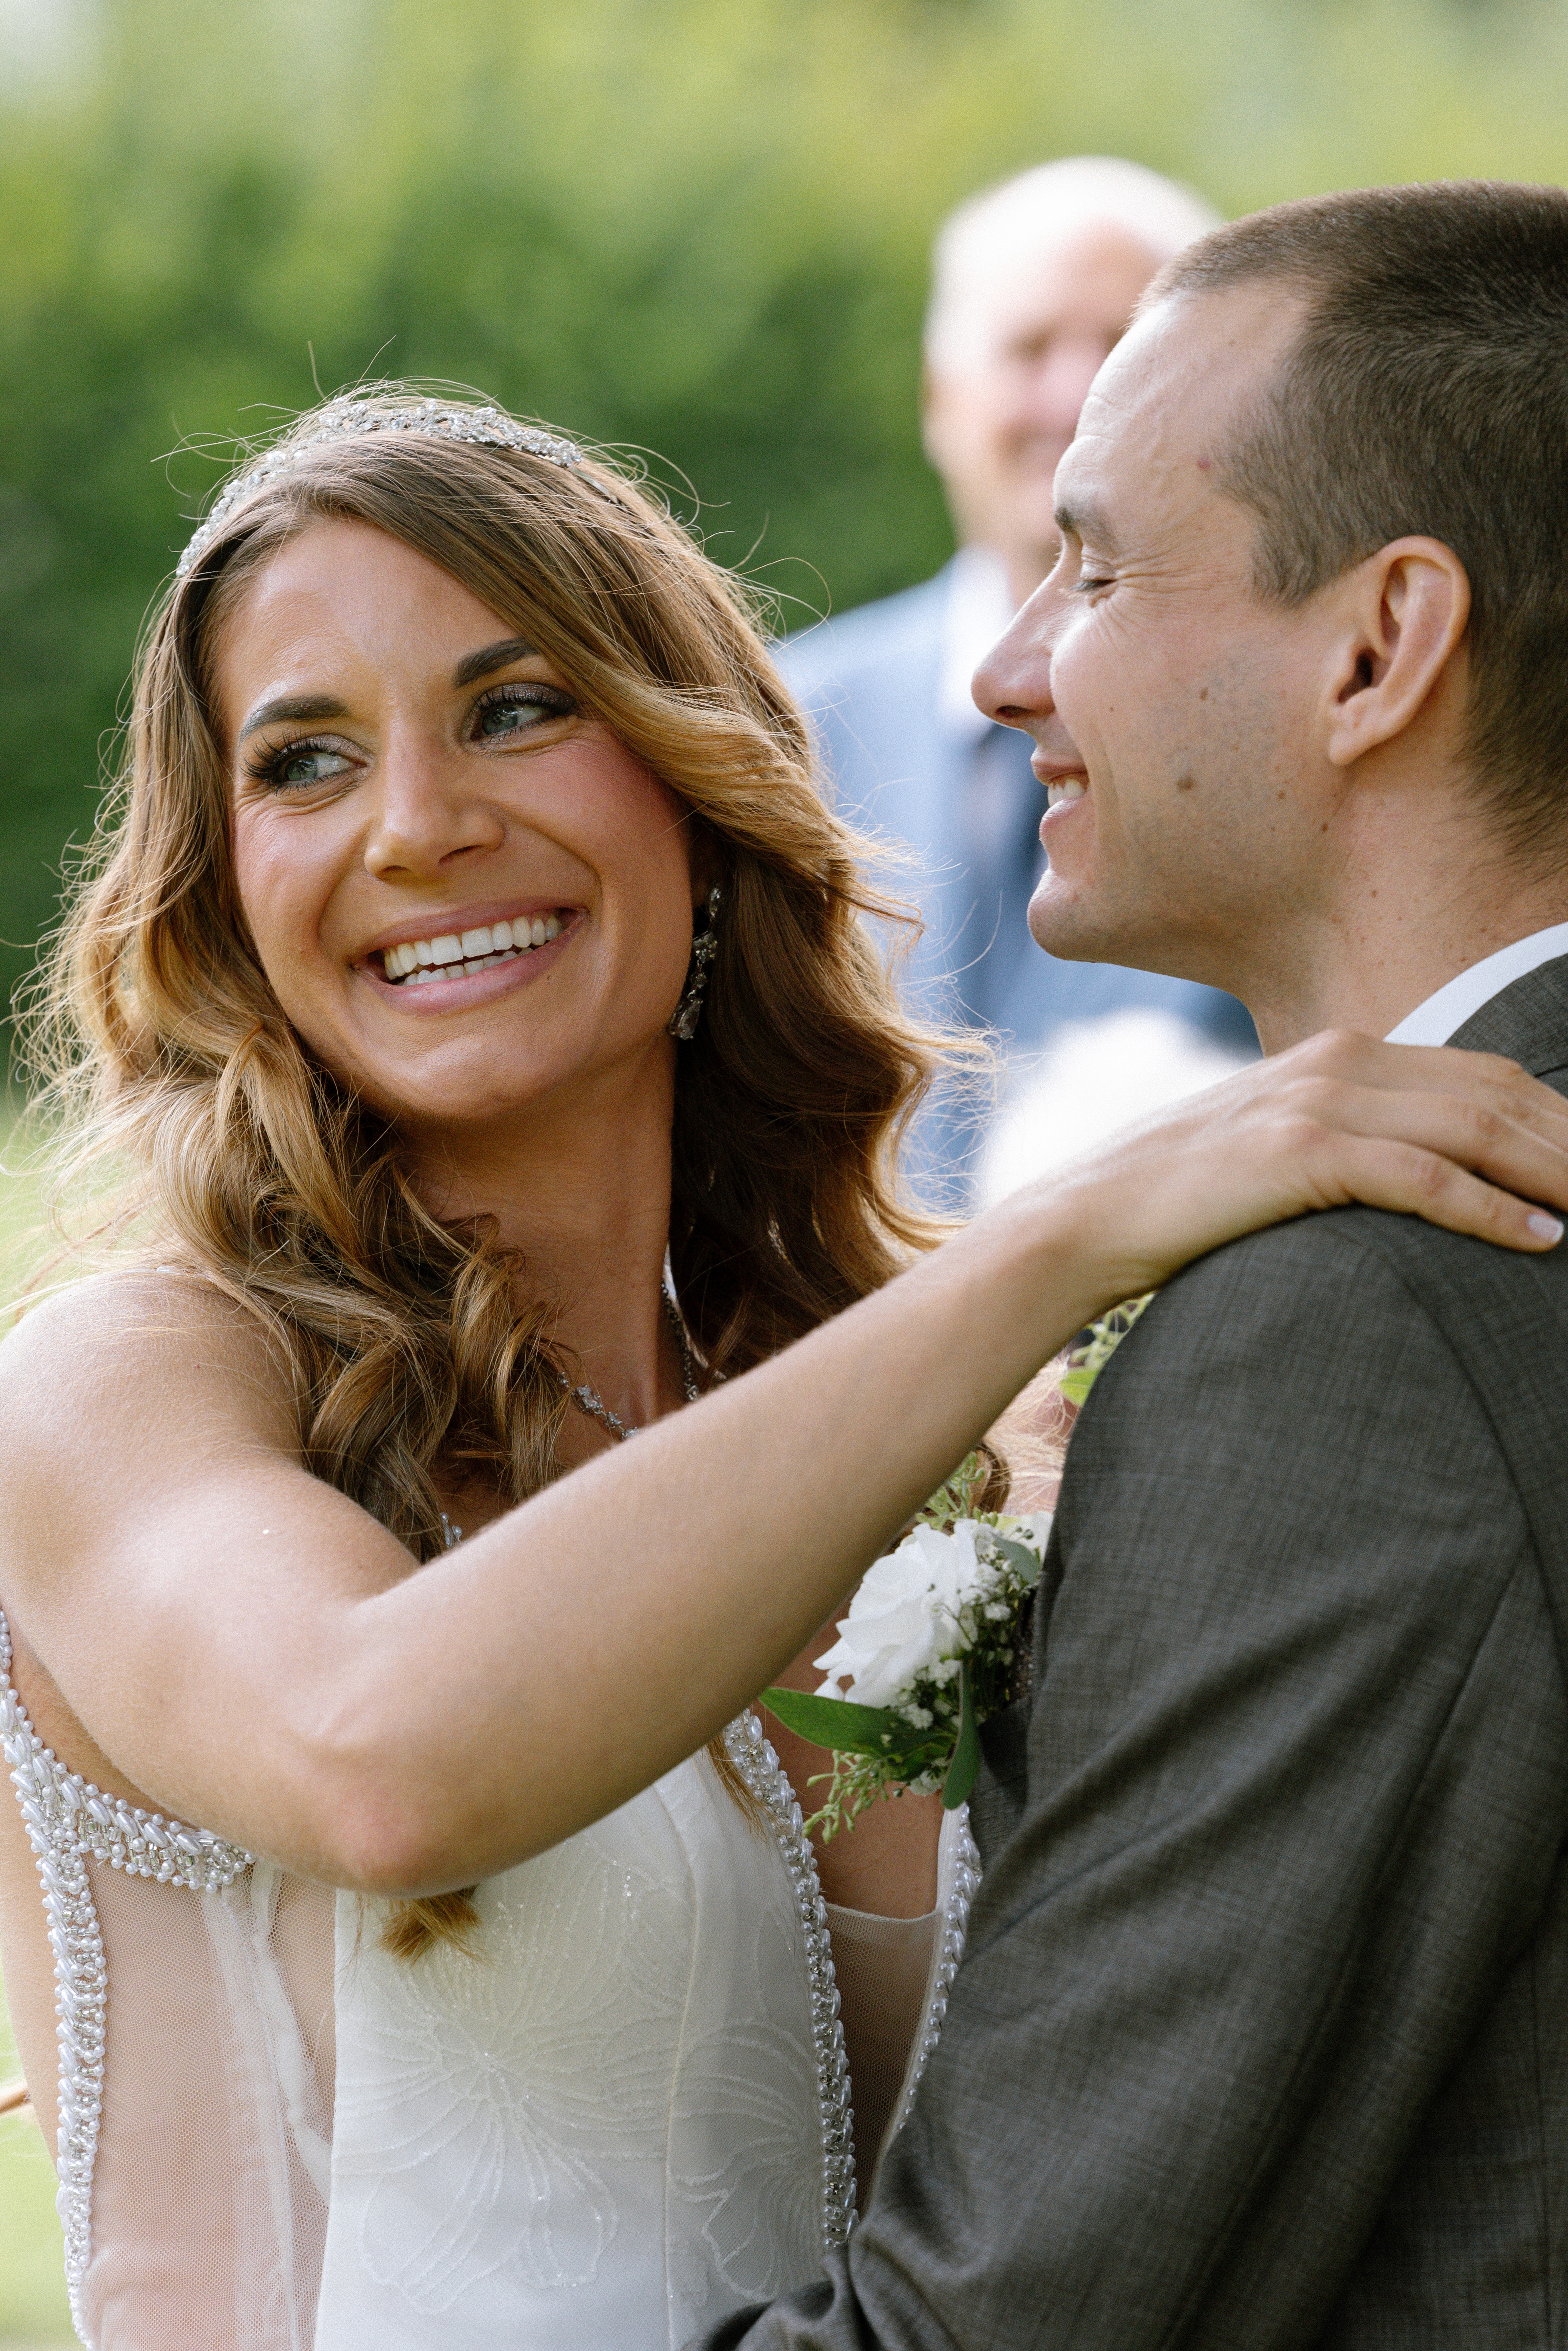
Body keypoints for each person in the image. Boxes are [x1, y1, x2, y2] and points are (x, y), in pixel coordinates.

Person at [0, 389, 1563, 2351]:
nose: (418, 826)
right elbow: (373, 1758)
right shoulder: (127, 1385)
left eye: (514, 710)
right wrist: (1073, 1234)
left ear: (700, 789)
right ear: (227, 884)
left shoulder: (962, 1442)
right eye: (306, 761)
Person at [700, 180, 1568, 2350]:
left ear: (1375, 646)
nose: (1000, 668)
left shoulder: (1349, 1327)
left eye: (1089, 567)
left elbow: (1016, 2315)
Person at [777, 157, 1255, 1206]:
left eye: (1122, 348)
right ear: (939, 403)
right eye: (1029, 346)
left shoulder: (1277, 727)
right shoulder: (779, 722)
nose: (1073, 393)